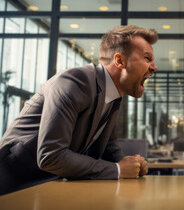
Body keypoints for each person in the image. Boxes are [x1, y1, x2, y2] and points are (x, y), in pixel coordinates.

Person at [0, 25, 158, 195]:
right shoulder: (74, 82)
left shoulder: (114, 96)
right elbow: (51, 156)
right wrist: (118, 170)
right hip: (14, 187)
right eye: (147, 58)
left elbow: (107, 147)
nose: (154, 67)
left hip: (50, 185)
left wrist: (129, 164)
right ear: (119, 61)